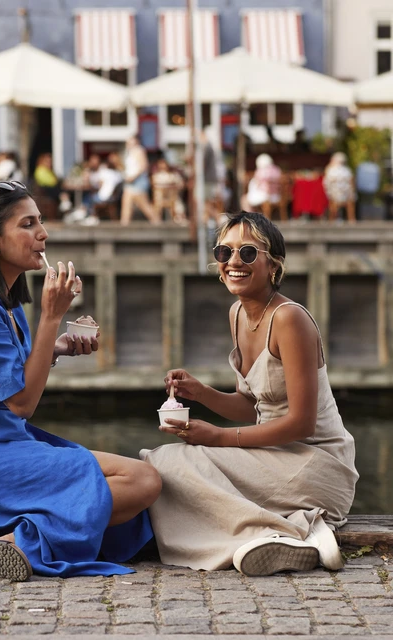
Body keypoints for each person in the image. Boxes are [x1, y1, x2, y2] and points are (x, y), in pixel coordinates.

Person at [0, 181, 160, 580]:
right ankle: (16, 543)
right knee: (141, 480)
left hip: (1, 442)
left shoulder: (4, 301)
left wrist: (58, 346)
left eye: (42, 222)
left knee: (136, 489)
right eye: (28, 224)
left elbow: (10, 376)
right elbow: (21, 402)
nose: (42, 234)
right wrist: (51, 317)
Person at [140, 211, 358, 576]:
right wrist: (202, 393)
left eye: (248, 253)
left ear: (273, 264)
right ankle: (283, 536)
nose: (233, 263)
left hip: (316, 462)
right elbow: (252, 405)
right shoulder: (238, 313)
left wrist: (219, 437)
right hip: (272, 455)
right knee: (163, 462)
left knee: (168, 463)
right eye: (224, 253)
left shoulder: (290, 319)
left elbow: (302, 423)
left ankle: (279, 533)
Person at [120, 135, 159, 226]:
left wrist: (133, 177)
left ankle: (157, 223)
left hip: (138, 182)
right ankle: (123, 229)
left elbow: (143, 166)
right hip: (130, 182)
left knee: (144, 205)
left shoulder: (139, 150)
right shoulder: (129, 152)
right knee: (126, 206)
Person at [241, 154, 282, 218]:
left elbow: (257, 183)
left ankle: (250, 217)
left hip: (265, 195)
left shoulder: (261, 170)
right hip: (277, 196)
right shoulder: (277, 170)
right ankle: (257, 216)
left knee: (244, 199)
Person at [323, 152, 356, 224]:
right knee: (350, 201)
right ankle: (351, 220)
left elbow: (326, 184)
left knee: (333, 203)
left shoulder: (330, 170)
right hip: (344, 195)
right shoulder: (347, 170)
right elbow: (351, 183)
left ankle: (332, 220)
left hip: (336, 195)